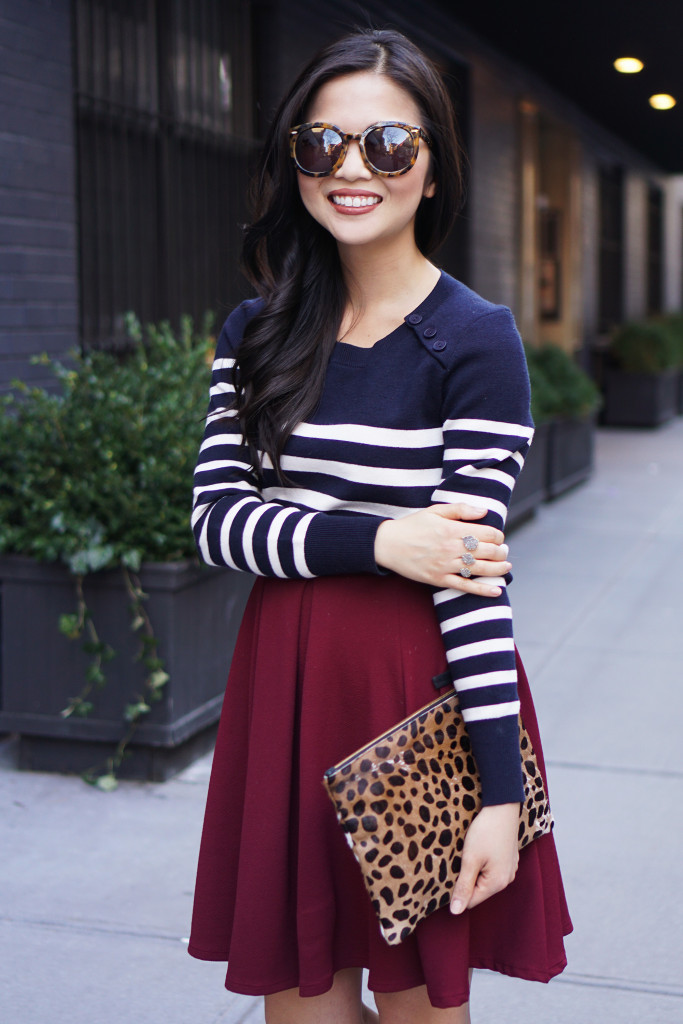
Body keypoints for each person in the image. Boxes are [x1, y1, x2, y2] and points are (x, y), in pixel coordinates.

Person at [188, 27, 572, 1024]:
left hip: (415, 694)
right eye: (321, 146)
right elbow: (217, 522)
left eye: (386, 146)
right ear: (294, 163)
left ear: (432, 168)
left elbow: (471, 575)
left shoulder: (475, 341)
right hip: (284, 687)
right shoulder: (258, 331)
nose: (349, 170)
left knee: (415, 1007)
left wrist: (497, 791)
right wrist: (379, 537)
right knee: (300, 1004)